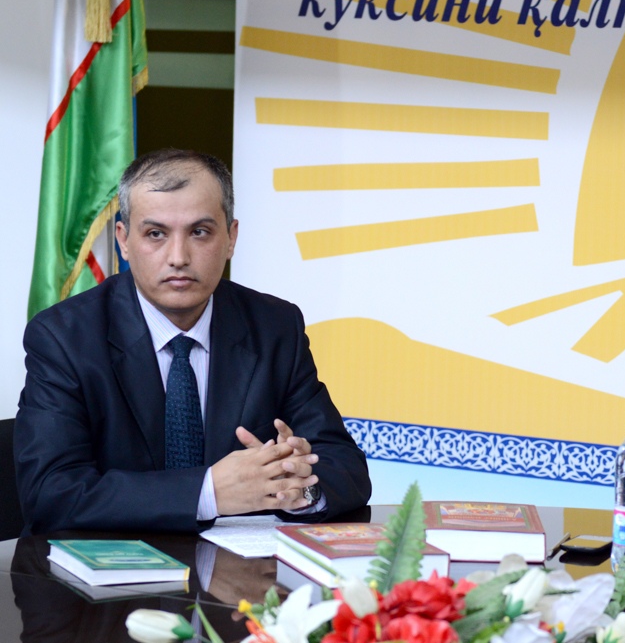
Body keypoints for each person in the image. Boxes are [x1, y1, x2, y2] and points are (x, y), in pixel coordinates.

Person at [15, 149, 371, 534]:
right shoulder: (63, 337)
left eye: (199, 232)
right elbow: (51, 493)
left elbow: (345, 468)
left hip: (238, 568)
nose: (178, 257)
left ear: (231, 238)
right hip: (113, 566)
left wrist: (297, 485)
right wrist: (208, 492)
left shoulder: (274, 326)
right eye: (156, 234)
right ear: (124, 240)